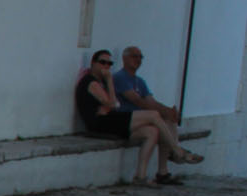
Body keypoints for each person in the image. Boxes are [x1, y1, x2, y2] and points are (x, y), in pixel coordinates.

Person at [74, 49, 191, 185]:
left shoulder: (103, 82)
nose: (106, 66)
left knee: (152, 132)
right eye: (102, 62)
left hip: (110, 119)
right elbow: (114, 103)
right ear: (93, 63)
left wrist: (108, 104)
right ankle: (177, 150)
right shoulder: (91, 82)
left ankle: (140, 177)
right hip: (100, 123)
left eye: (109, 63)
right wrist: (110, 82)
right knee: (154, 115)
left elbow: (112, 104)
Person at [112, 45, 204, 185]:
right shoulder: (120, 77)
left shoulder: (140, 81)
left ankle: (163, 172)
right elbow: (138, 101)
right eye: (134, 56)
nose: (138, 60)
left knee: (167, 121)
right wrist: (165, 111)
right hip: (127, 119)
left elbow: (151, 101)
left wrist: (169, 112)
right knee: (158, 118)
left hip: (142, 119)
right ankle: (177, 151)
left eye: (140, 57)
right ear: (125, 58)